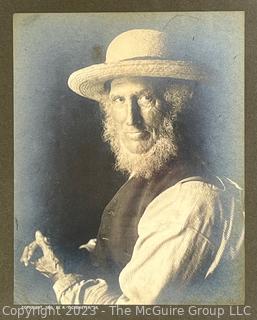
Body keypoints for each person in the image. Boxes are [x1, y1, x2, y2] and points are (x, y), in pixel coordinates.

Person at [20, 29, 244, 304]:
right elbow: (126, 248)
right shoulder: (148, 173)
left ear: (174, 104)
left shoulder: (192, 200)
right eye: (119, 100)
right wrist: (67, 258)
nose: (131, 119)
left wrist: (62, 279)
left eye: (146, 97)